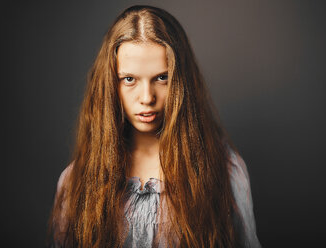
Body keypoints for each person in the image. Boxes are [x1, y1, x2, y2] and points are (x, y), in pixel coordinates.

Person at [47, 5, 261, 248]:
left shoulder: (224, 171)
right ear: (110, 85)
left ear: (181, 81)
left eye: (162, 78)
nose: (147, 97)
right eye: (129, 79)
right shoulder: (76, 182)